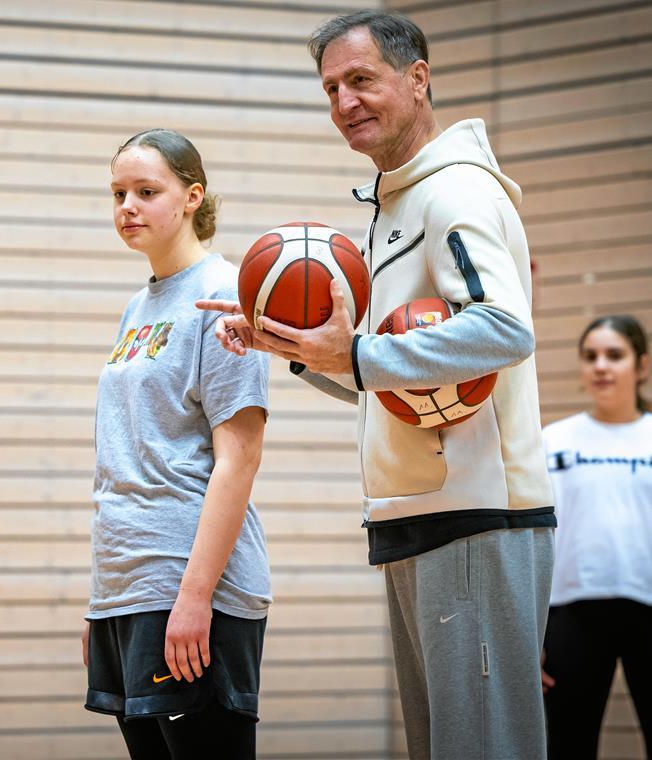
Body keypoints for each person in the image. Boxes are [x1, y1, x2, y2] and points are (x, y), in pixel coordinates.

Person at [197, 11, 556, 759]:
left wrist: (355, 355)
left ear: (417, 78)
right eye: (331, 88)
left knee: (486, 749)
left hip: (478, 516)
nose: (344, 103)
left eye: (361, 80)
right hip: (417, 516)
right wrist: (296, 348)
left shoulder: (455, 192)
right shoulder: (393, 206)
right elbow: (393, 376)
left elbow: (506, 329)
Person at [82, 129, 271, 759]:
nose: (127, 207)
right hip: (129, 587)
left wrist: (193, 599)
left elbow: (238, 459)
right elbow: (126, 455)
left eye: (146, 191)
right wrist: (103, 601)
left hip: (190, 589)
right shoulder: (138, 305)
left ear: (192, 197)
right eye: (118, 193)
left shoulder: (224, 298)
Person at [541, 315, 652, 759]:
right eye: (591, 357)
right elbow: (533, 542)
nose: (601, 366)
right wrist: (532, 635)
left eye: (615, 355)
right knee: (568, 746)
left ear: (641, 366)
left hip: (647, 608)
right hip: (570, 615)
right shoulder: (553, 441)